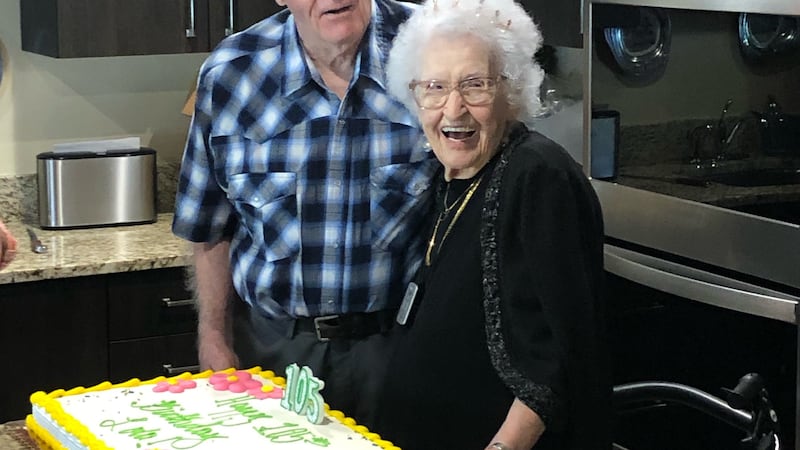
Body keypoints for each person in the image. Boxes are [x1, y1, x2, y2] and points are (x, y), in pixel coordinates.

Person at [172, 0, 439, 428]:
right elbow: (208, 225)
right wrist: (214, 338)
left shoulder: (435, 46)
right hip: (272, 351)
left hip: (403, 346)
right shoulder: (231, 72)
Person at [375, 0, 611, 449]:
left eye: (475, 85)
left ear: (512, 90)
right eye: (435, 87)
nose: (453, 109)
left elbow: (558, 355)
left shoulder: (538, 176)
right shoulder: (451, 176)